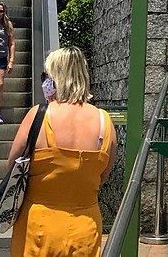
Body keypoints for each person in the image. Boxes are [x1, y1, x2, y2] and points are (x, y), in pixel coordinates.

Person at [8, 47, 116, 257]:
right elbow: (102, 176)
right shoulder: (105, 122)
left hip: (38, 227)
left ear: (57, 77)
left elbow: (12, 167)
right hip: (85, 229)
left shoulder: (38, 116)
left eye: (46, 76)